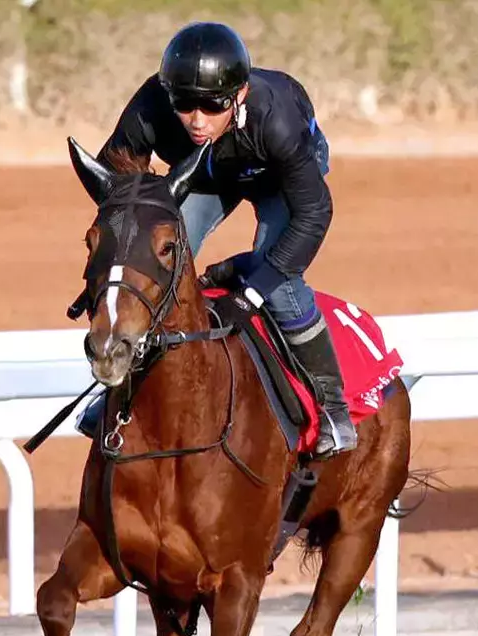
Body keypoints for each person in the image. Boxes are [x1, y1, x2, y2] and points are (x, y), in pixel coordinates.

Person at [84, 21, 357, 459]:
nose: (195, 120)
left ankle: (332, 407)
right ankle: (121, 385)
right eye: (184, 104)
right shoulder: (151, 103)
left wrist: (253, 292)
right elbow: (119, 185)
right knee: (155, 260)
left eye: (211, 106)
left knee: (281, 286)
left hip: (276, 176)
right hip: (208, 173)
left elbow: (314, 214)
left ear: (239, 95)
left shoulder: (277, 120)